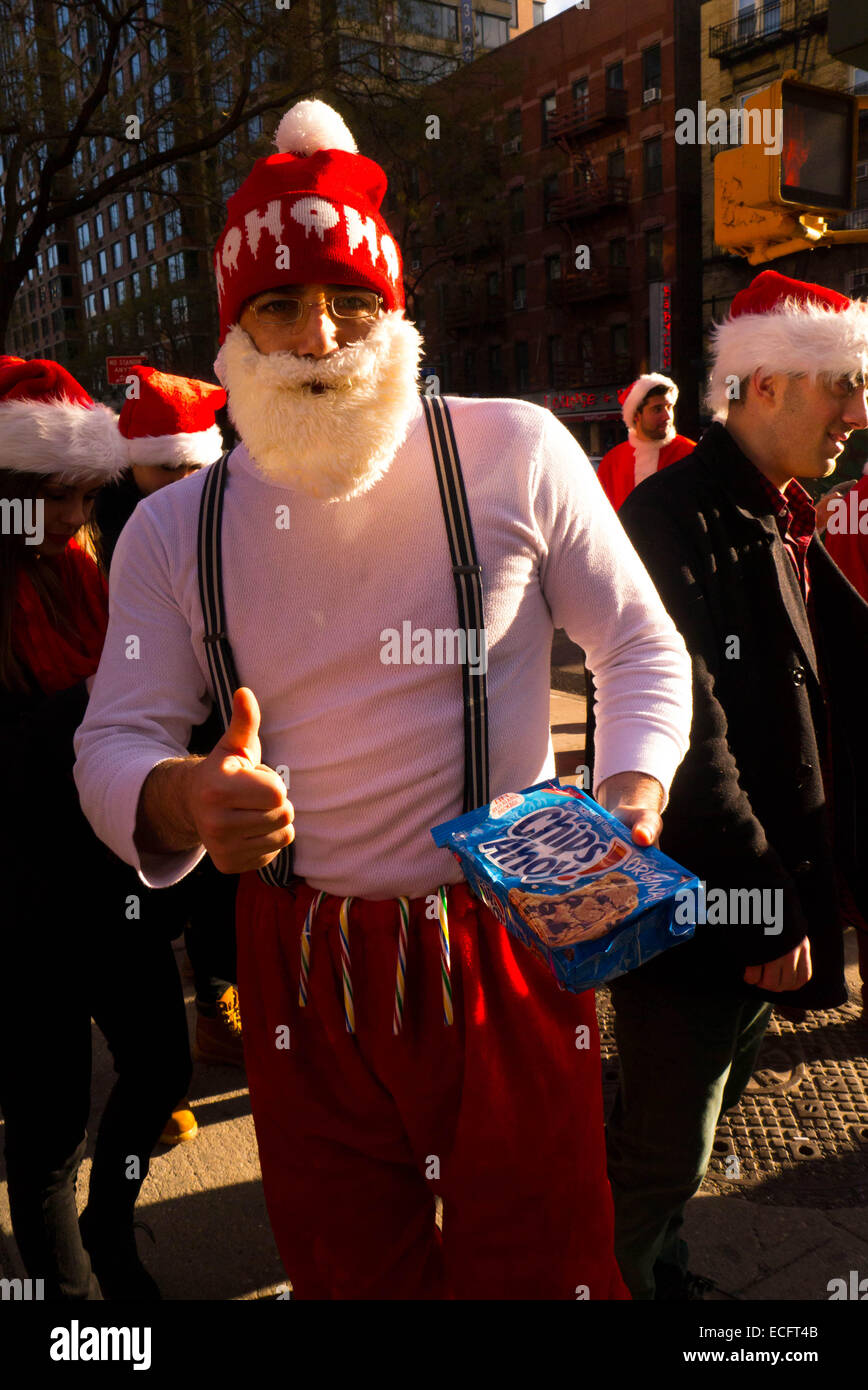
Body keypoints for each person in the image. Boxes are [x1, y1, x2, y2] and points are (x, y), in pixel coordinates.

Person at [75, 99, 693, 1300]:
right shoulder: (171, 528)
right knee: (347, 1273)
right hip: (300, 964)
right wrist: (183, 795)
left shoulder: (512, 449)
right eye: (277, 304)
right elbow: (113, 738)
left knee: (546, 1263)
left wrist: (629, 788)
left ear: (395, 311)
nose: (317, 336)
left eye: (349, 300)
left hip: (509, 938)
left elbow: (640, 643)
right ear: (233, 336)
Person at [589, 270, 868, 1301]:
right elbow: (689, 741)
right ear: (756, 384)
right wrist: (763, 906)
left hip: (770, 895)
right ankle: (612, 1278)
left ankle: (653, 1266)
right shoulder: (670, 517)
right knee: (665, 1142)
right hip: (706, 909)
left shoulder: (784, 511)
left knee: (706, 1105)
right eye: (837, 384)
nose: (856, 412)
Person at [0, 356, 191, 1300]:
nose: (81, 515)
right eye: (61, 495)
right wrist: (96, 715)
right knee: (47, 1131)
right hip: (19, 916)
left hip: (108, 886)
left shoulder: (81, 569)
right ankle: (66, 1303)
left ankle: (109, 1220)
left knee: (161, 1067)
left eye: (87, 492)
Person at [98, 366, 245, 1149]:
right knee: (142, 912)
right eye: (166, 467)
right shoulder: (102, 528)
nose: (180, 485)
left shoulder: (230, 514)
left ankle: (218, 1006)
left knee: (220, 886)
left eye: (195, 467)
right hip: (125, 750)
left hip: (218, 730)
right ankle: (150, 1075)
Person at [595, 373, 695, 511]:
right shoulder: (612, 462)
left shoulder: (691, 453)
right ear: (636, 415)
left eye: (669, 407)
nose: (667, 416)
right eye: (657, 409)